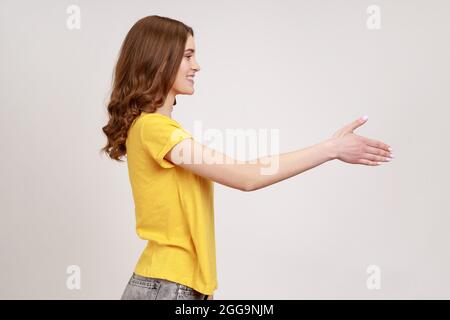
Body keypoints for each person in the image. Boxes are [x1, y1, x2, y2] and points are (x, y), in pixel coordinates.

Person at [101, 15, 394, 300]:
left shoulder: (155, 129)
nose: (197, 66)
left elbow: (246, 172)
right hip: (167, 283)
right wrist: (332, 149)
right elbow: (246, 177)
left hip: (171, 282)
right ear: (160, 60)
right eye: (188, 56)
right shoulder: (155, 129)